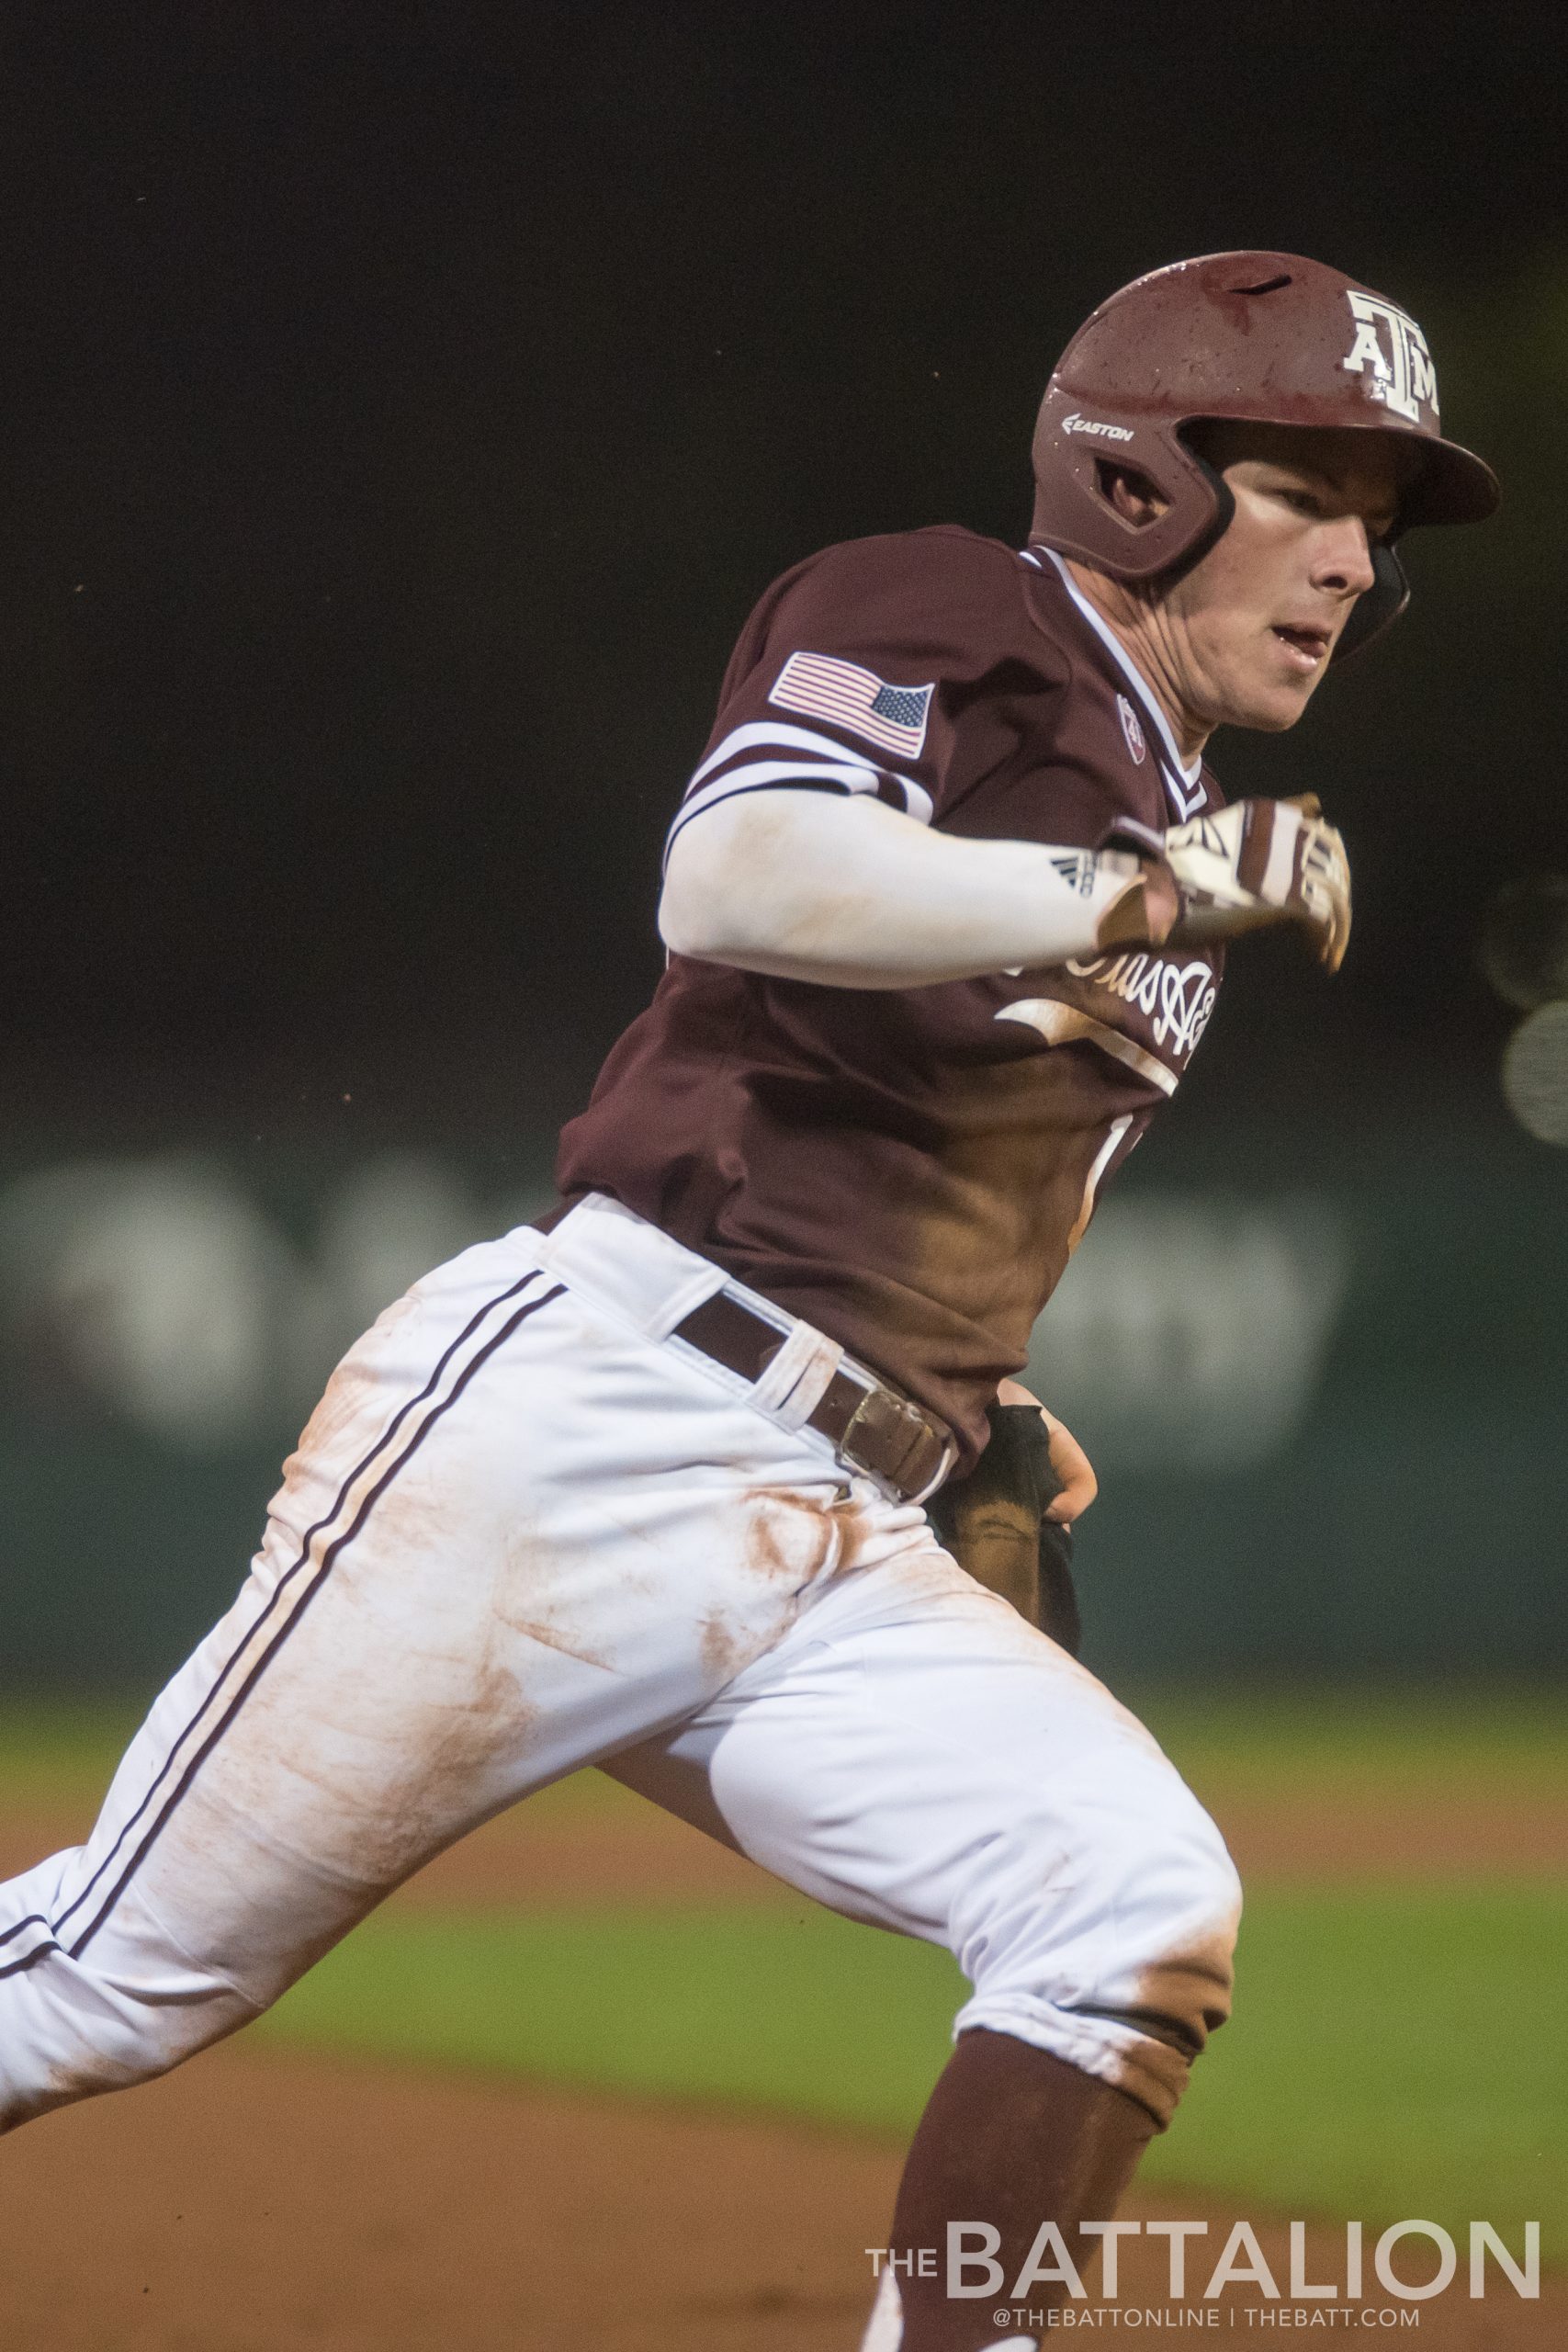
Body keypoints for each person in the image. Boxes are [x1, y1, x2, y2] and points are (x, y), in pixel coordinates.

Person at [0, 253, 1495, 2351]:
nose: (1352, 560)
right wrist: (1141, 885)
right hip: (592, 1422)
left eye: (1380, 525)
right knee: (100, 1981)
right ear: (1139, 480)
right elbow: (736, 875)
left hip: (836, 1521)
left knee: (1126, 1904)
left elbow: (910, 1160)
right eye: (1306, 487)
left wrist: (973, 1397)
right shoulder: (958, 610)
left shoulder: (1162, 800)